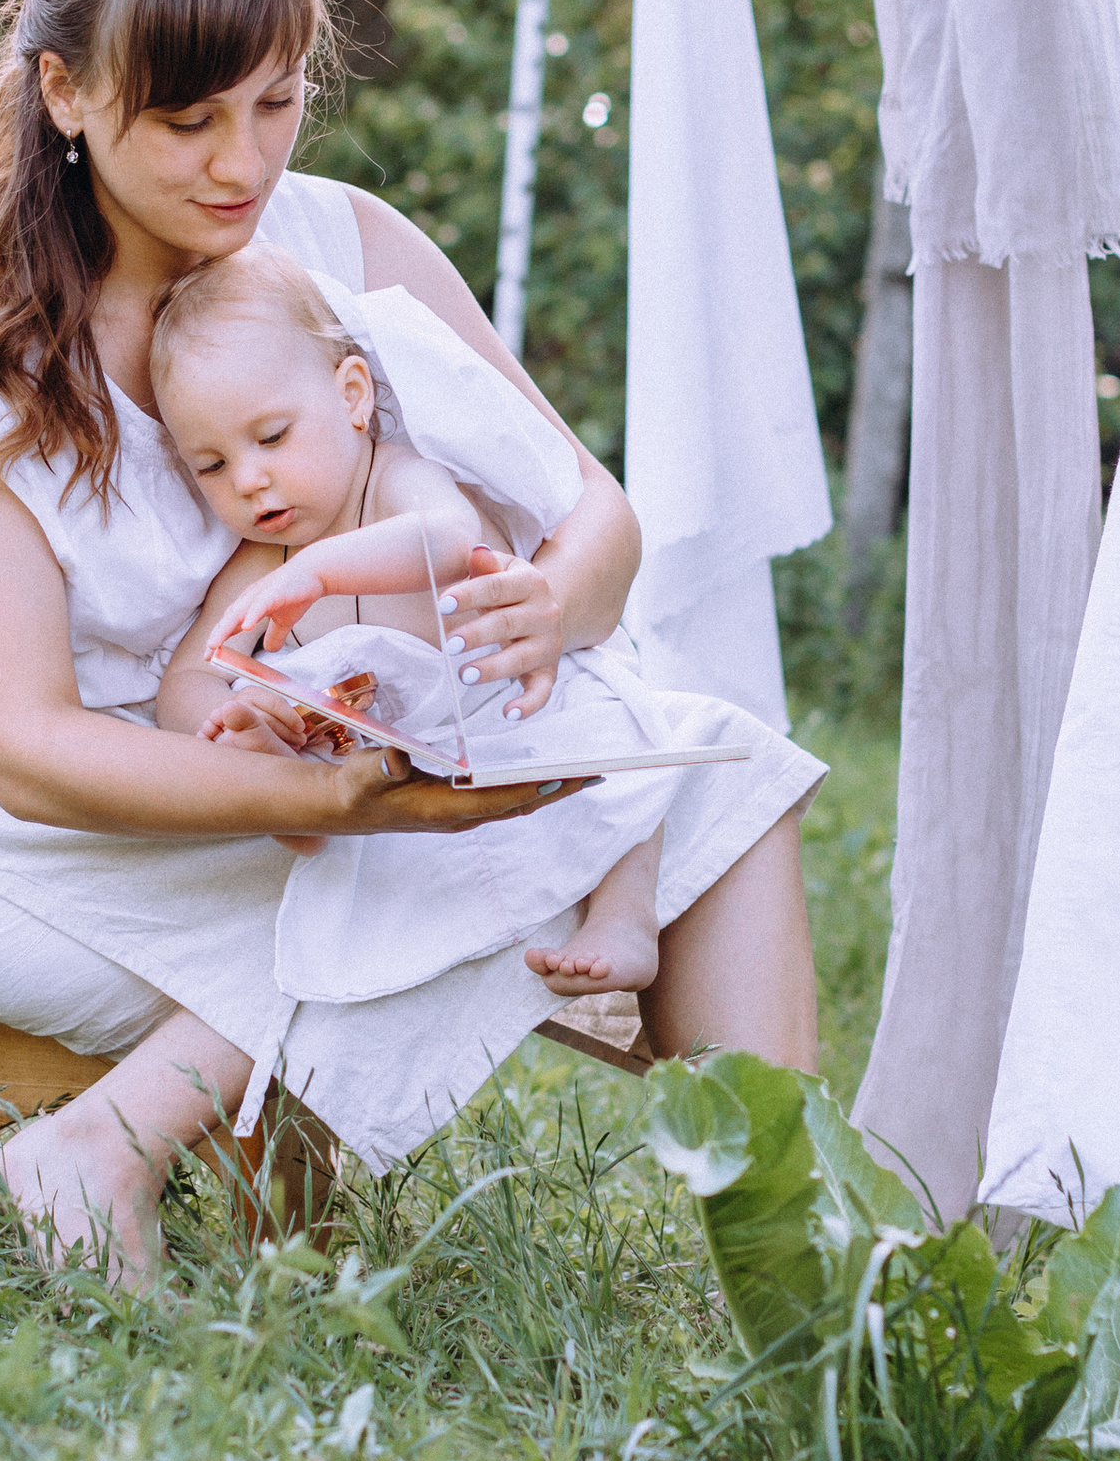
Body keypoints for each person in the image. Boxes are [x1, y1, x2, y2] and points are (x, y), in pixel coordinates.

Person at [0, 0, 819, 1288]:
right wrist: (348, 802)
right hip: (27, 836)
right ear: (67, 95)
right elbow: (28, 751)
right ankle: (106, 1149)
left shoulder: (346, 246)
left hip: (311, 783)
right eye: (189, 121)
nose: (244, 162)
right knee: (473, 864)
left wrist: (554, 601)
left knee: (723, 783)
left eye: (277, 102)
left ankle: (805, 1292)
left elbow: (592, 513)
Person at [144, 245, 819, 1011]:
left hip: (509, 703)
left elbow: (447, 538)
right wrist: (233, 722)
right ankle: (302, 824)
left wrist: (320, 571)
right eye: (210, 466)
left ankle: (624, 915)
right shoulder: (261, 556)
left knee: (618, 735)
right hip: (407, 760)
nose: (249, 480)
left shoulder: (395, 480)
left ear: (353, 396)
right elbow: (191, 674)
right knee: (308, 791)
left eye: (270, 438)